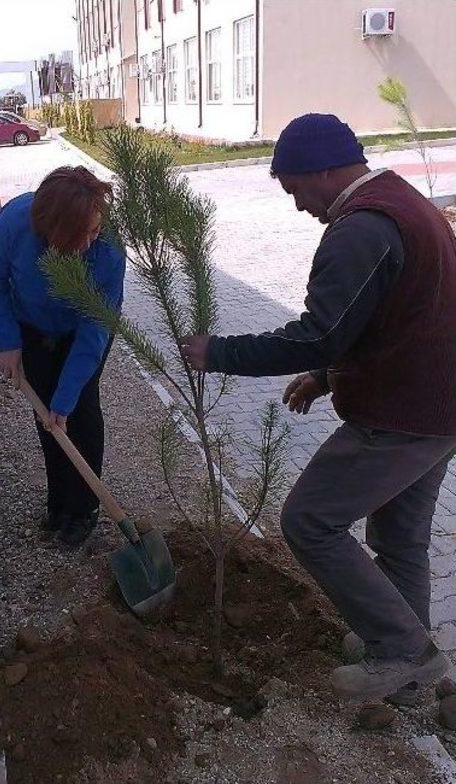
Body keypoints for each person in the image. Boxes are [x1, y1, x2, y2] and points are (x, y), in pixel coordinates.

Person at [181, 113, 456, 701]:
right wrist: (328, 376)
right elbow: (399, 316)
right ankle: (407, 667)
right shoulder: (403, 200)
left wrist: (218, 351)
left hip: (401, 414)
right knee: (400, 538)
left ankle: (403, 648)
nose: (297, 205)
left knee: (309, 521)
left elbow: (317, 333)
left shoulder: (360, 229)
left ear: (326, 169)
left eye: (295, 187)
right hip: (437, 406)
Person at [0, 166, 125, 547]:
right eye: (83, 234)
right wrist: (8, 341)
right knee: (46, 416)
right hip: (32, 329)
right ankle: (59, 502)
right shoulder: (14, 222)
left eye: (96, 230)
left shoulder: (107, 249)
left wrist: (67, 394)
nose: (92, 241)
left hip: (82, 332)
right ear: (55, 230)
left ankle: (84, 509)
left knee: (79, 410)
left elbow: (96, 325)